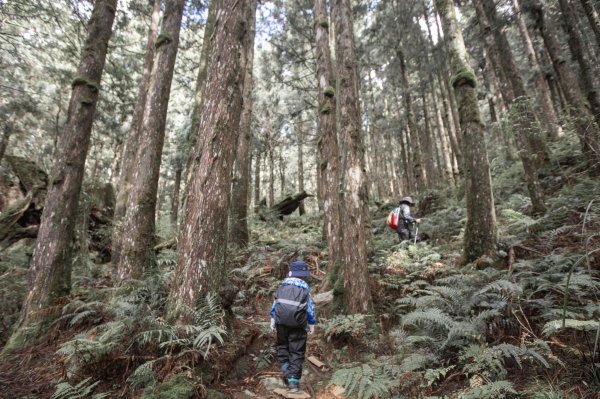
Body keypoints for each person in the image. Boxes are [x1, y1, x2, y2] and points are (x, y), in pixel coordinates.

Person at [270, 260, 316, 393]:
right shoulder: (305, 288)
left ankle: (285, 370)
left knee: (282, 346)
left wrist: (272, 318)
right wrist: (311, 323)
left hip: (281, 323)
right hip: (298, 324)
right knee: (296, 350)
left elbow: (275, 304)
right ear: (303, 275)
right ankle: (293, 382)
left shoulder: (282, 286)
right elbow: (310, 308)